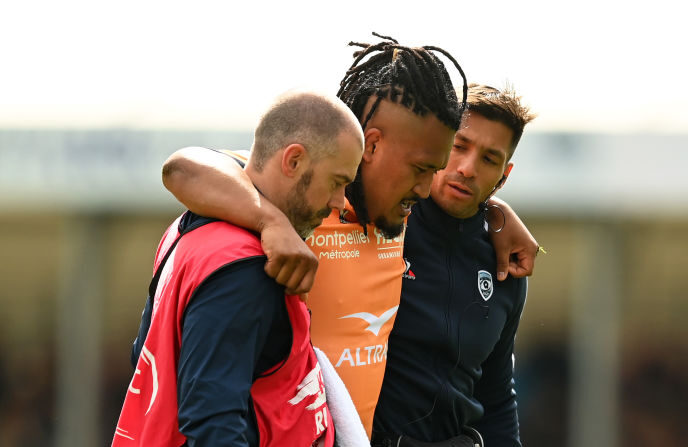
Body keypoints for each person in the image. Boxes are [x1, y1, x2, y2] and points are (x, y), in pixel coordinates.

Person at [162, 34, 539, 437]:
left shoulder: (406, 213)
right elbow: (182, 168)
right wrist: (270, 223)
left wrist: (496, 215)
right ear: (373, 146)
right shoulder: (308, 199)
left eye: (434, 170)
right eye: (423, 169)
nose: (431, 185)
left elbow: (498, 399)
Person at [112, 90, 364, 447]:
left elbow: (145, 355)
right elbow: (213, 426)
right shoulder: (247, 268)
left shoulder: (187, 226)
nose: (340, 202)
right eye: (337, 182)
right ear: (293, 161)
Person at [372, 84, 536, 447]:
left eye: (489, 159)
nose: (467, 168)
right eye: (459, 146)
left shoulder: (504, 264)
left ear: (504, 176)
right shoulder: (377, 220)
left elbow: (496, 397)